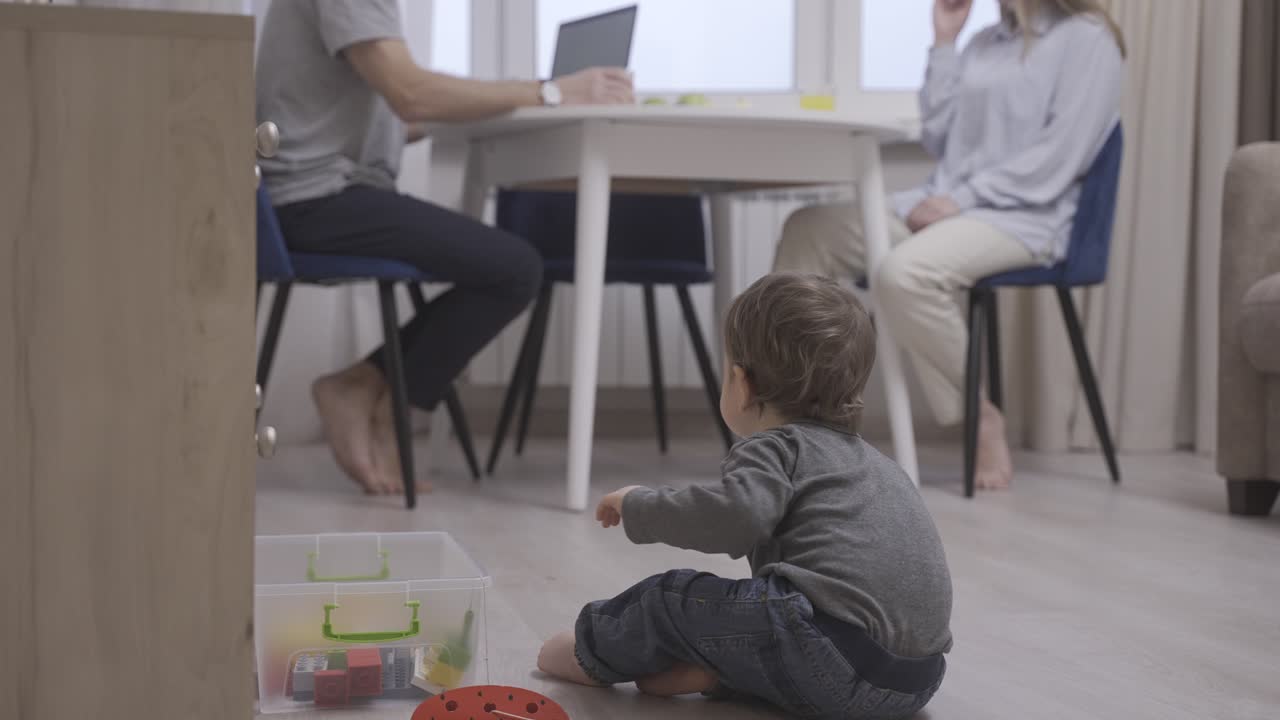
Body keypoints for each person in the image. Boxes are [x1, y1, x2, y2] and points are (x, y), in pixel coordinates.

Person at [256, 0, 634, 494]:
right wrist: (553, 91)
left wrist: (502, 104)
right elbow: (409, 93)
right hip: (312, 198)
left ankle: (365, 384)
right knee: (515, 269)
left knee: (510, 266)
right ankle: (370, 390)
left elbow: (391, 110)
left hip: (317, 192)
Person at [536, 273, 953, 720]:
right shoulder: (879, 465)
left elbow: (735, 518)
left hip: (832, 658)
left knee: (672, 597)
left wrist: (640, 504)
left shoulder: (776, 445)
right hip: (916, 680)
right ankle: (727, 674)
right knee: (770, 612)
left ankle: (587, 653)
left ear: (741, 383)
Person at [773, 0, 1125, 490]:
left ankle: (980, 416)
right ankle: (791, 424)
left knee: (903, 273)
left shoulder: (1088, 39)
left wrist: (960, 199)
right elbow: (938, 136)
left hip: (1023, 217)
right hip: (948, 206)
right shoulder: (984, 44)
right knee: (810, 228)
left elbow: (1057, 157)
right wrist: (944, 41)